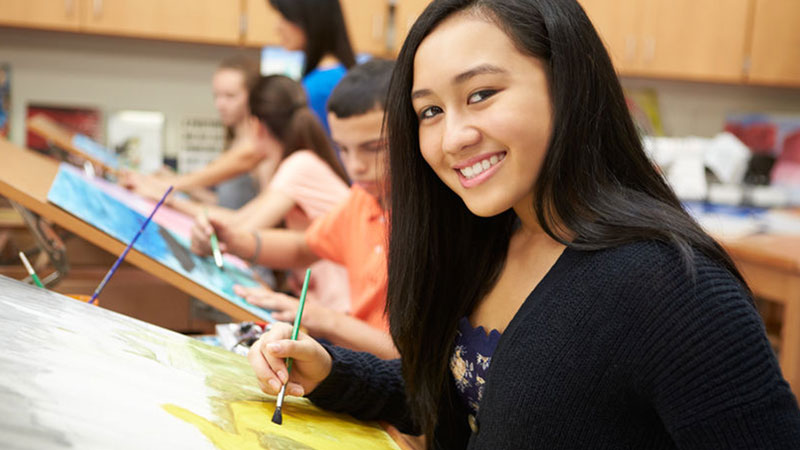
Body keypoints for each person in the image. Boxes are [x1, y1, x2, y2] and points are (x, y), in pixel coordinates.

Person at [247, 1, 800, 449]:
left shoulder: (673, 287)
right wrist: (332, 374)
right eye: (430, 111)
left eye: (481, 94)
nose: (452, 137)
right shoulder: (487, 240)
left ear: (569, 84)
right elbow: (465, 399)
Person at [201, 60, 398, 359]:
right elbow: (303, 247)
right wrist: (234, 240)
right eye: (343, 149)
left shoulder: (430, 220)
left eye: (374, 147)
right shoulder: (362, 199)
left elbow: (416, 357)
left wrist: (322, 318)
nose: (355, 166)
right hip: (361, 366)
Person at [185, 74, 352, 312]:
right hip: (326, 304)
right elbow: (237, 220)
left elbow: (243, 229)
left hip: (339, 307)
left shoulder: (300, 165)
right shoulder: (297, 163)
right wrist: (171, 202)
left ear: (256, 125)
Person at [124, 56, 276, 209]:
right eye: (216, 95)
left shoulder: (255, 146)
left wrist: (165, 183)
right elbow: (226, 205)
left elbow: (243, 216)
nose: (220, 104)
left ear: (253, 97)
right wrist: (182, 186)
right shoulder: (236, 141)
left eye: (230, 96)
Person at [269, 0, 356, 133]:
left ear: (310, 19)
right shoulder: (338, 74)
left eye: (285, 17)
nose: (278, 27)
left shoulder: (317, 88)